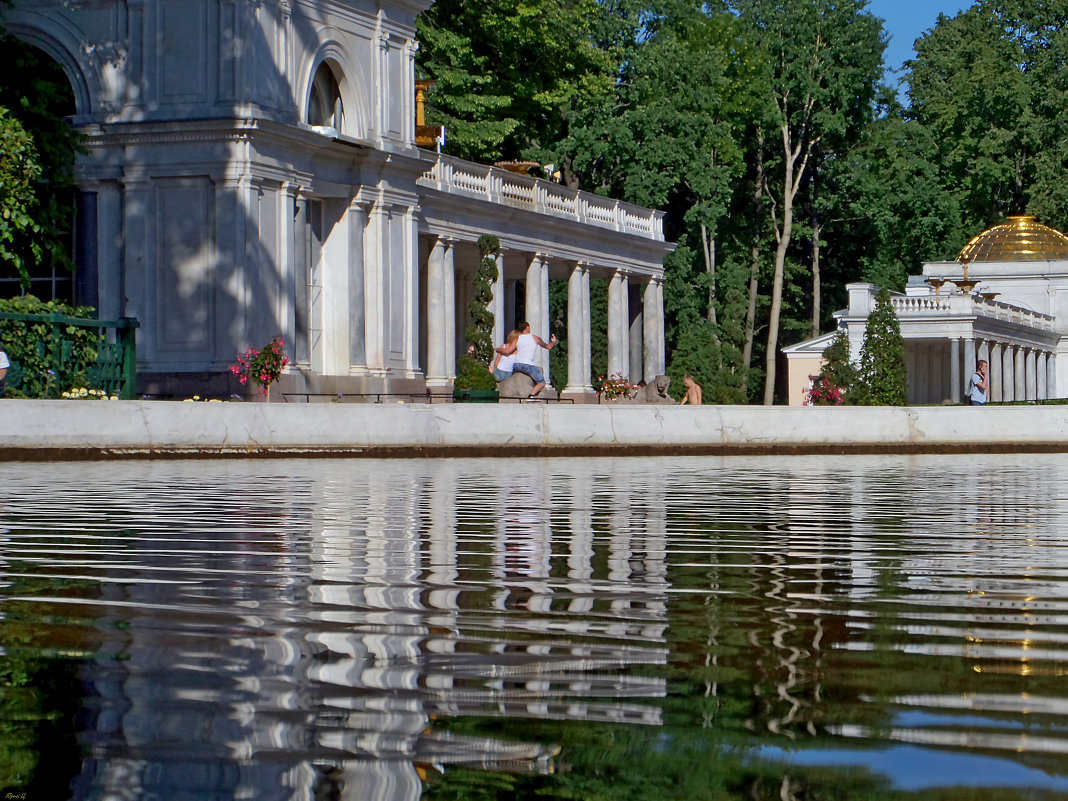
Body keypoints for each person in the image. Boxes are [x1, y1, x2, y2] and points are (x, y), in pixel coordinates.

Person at [499, 321, 556, 397]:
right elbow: (548, 347)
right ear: (527, 328)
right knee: (542, 382)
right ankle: (531, 395)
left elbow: (508, 350)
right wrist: (553, 342)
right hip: (527, 365)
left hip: (516, 364)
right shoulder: (535, 338)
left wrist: (498, 349)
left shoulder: (517, 338)